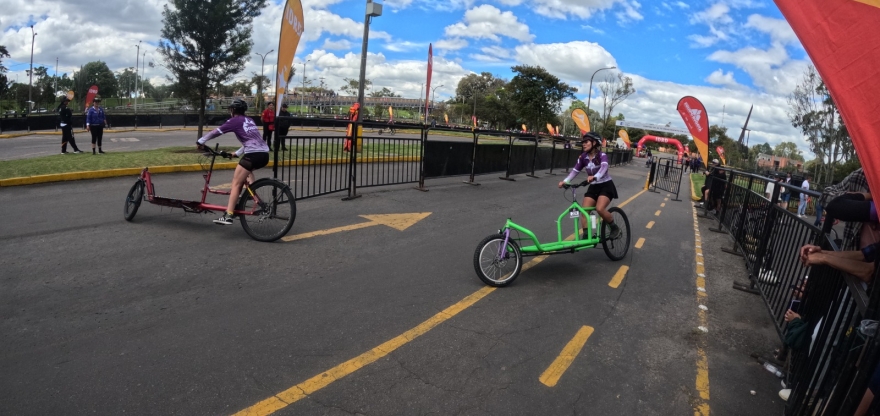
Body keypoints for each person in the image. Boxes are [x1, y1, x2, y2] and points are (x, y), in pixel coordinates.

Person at [196, 99, 271, 225]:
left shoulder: (235, 120)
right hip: (264, 155)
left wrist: (201, 141)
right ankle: (250, 197)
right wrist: (236, 153)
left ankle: (229, 214)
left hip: (253, 155)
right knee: (245, 176)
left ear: (233, 110)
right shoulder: (250, 120)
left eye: (230, 109)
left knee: (236, 183)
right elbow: (253, 140)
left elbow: (217, 132)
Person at [557, 131, 621, 240]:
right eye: (583, 142)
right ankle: (586, 235)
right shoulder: (583, 157)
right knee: (584, 210)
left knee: (599, 209)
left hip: (606, 186)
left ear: (594, 143)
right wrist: (565, 181)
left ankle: (614, 228)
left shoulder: (602, 155)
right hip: (594, 186)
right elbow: (575, 171)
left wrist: (595, 176)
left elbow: (604, 167)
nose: (584, 144)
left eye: (586, 142)